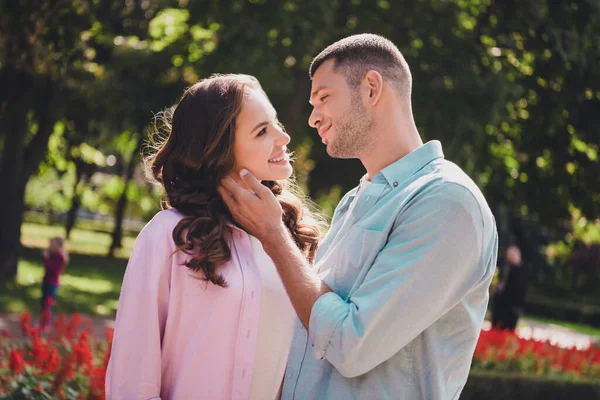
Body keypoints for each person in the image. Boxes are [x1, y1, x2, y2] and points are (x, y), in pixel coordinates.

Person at [219, 34, 498, 399]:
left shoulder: (447, 202)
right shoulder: (355, 200)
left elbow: (350, 345)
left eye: (323, 97)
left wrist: (273, 234)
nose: (313, 117)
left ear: (371, 88)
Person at [106, 74, 323, 400]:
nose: (284, 137)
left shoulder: (292, 237)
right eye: (262, 131)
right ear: (219, 149)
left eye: (276, 122)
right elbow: (131, 381)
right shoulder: (168, 236)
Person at [492, 243, 528, 331]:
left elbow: (520, 289)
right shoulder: (504, 266)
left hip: (512, 307)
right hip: (500, 304)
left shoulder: (521, 270)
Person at [40, 236, 69, 327]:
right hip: (46, 281)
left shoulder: (60, 257)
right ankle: (43, 322)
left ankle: (46, 323)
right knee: (44, 303)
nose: (51, 247)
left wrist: (46, 258)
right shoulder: (53, 256)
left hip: (52, 283)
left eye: (53, 245)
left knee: (48, 303)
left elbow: (52, 269)